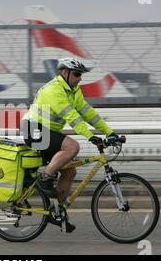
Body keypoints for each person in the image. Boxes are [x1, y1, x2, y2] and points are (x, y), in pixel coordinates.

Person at [20, 57, 119, 231]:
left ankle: (56, 213)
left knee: (70, 171)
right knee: (73, 147)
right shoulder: (54, 90)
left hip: (49, 132)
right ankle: (45, 178)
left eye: (80, 74)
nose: (80, 78)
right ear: (65, 73)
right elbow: (71, 117)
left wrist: (109, 132)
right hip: (33, 130)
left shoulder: (74, 90)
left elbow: (88, 113)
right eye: (76, 74)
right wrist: (90, 136)